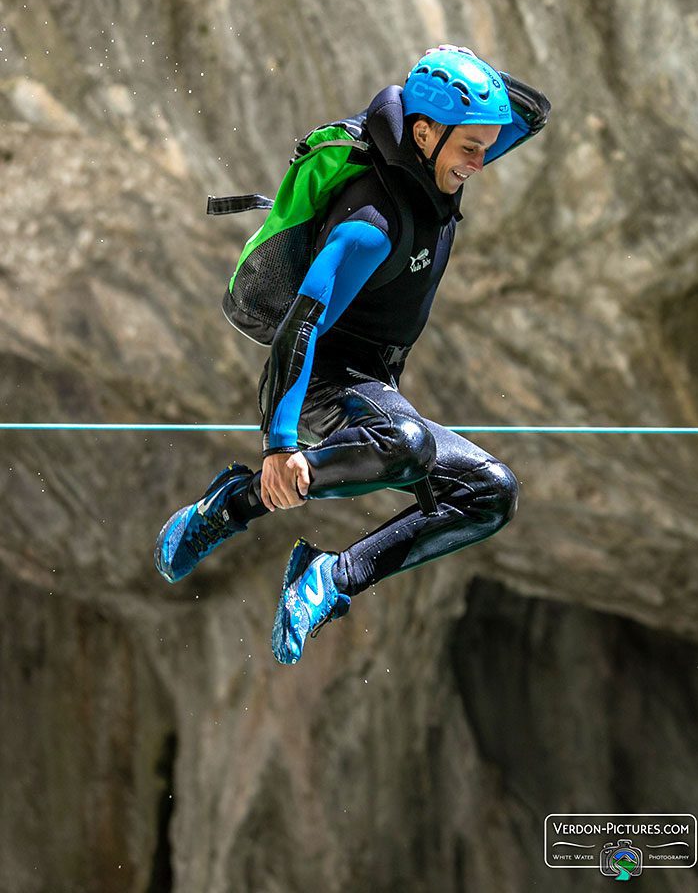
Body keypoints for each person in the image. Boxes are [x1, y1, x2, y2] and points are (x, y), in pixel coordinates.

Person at [154, 45, 550, 665]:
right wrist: (279, 446)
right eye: (473, 147)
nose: (482, 161)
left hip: (375, 385)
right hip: (318, 379)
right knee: (408, 444)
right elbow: (299, 328)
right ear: (424, 133)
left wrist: (473, 84)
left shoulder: (440, 160)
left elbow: (532, 112)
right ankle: (233, 503)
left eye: (486, 146)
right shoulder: (371, 222)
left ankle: (327, 578)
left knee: (490, 492)